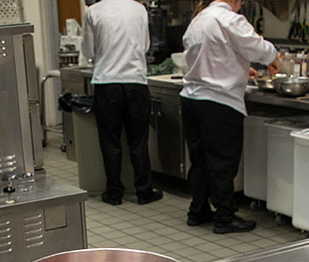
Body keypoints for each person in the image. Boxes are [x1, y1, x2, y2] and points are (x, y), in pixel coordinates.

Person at [179, 0, 277, 234]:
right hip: (219, 102)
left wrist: (241, 67)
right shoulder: (228, 18)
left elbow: (210, 56)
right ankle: (224, 217)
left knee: (200, 159)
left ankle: (198, 210)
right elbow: (258, 48)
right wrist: (275, 58)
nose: (241, 5)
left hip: (192, 99)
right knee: (222, 161)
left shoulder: (198, 19)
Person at [82, 0, 163, 206]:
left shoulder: (94, 11)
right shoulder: (139, 9)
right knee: (139, 140)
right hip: (135, 82)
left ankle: (114, 192)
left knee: (110, 141)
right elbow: (145, 46)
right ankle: (144, 191)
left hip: (107, 83)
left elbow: (88, 51)